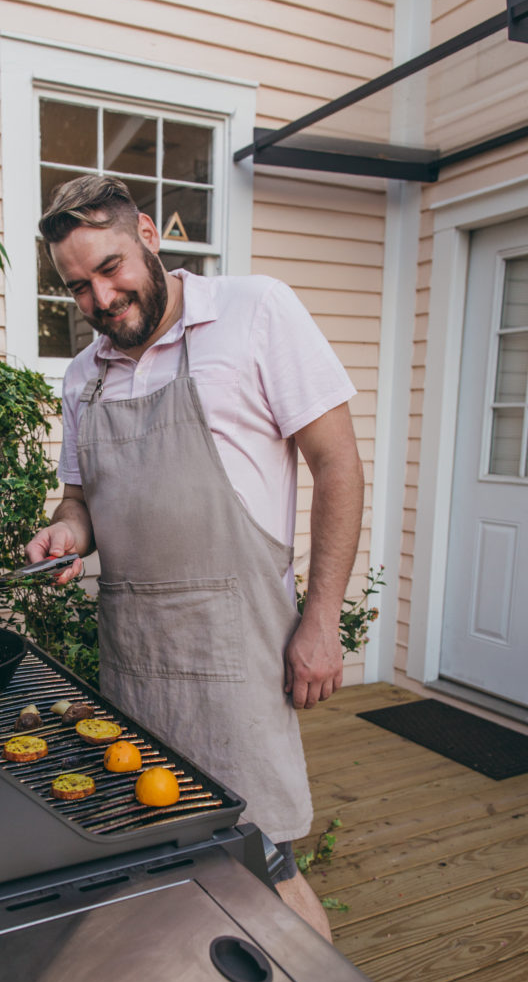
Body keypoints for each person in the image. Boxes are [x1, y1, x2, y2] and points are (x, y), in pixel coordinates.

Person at [26, 175, 364, 940]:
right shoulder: (85, 374)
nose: (101, 299)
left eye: (110, 268)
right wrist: (65, 536)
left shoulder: (255, 312)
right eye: (78, 286)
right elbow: (79, 502)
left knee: (262, 859)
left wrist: (320, 621)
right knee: (158, 856)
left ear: (148, 232)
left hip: (236, 653)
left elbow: (337, 464)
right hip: (134, 658)